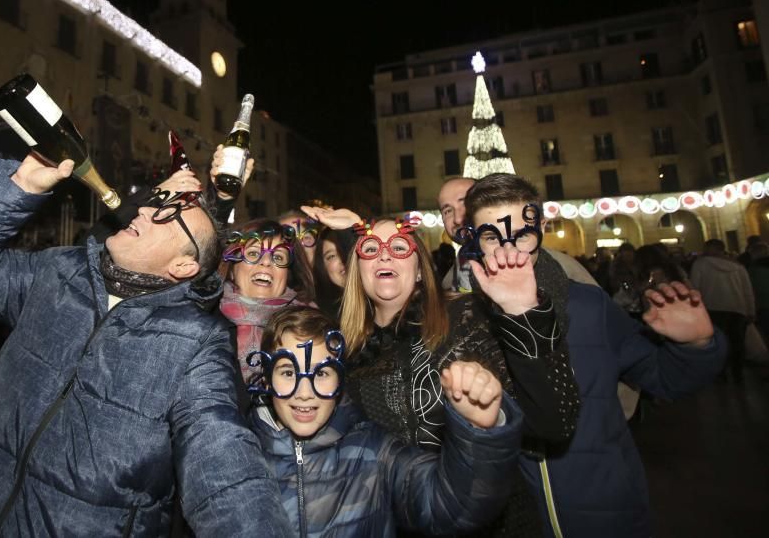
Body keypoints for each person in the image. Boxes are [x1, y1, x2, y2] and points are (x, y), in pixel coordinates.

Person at [0, 154, 290, 537]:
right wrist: (18, 188)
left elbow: (221, 457)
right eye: (155, 204)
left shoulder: (196, 342)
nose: (145, 209)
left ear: (182, 267)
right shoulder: (57, 272)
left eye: (168, 216)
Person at [464, 173, 725, 538]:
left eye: (523, 235)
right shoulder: (462, 321)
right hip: (511, 520)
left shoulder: (588, 306)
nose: (510, 251)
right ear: (473, 240)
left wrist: (694, 345)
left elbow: (662, 377)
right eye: (492, 237)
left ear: (540, 229)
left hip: (606, 514)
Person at [301, 207, 580, 537]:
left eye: (400, 247)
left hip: (497, 526)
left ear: (419, 268)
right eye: (372, 250)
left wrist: (523, 315)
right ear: (357, 272)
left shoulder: (465, 318)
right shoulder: (345, 353)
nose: (385, 257)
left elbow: (554, 422)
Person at [249, 306, 523, 536]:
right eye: (287, 372)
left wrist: (478, 431)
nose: (305, 392)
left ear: (341, 378)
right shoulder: (239, 456)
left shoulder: (376, 452)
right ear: (266, 377)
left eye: (321, 374)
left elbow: (454, 509)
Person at [437, 176, 597, 291]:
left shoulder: (563, 270)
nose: (458, 218)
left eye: (465, 204)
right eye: (448, 210)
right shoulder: (450, 279)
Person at [220, 218, 311, 380]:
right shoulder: (205, 325)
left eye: (278, 257)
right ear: (232, 269)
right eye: (253, 253)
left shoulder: (312, 328)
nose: (266, 262)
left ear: (287, 274)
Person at [689, 238, 756, 382]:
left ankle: (720, 373)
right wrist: (750, 310)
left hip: (712, 308)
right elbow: (747, 290)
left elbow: (694, 287)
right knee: (737, 341)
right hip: (737, 308)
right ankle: (738, 372)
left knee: (717, 343)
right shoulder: (737, 266)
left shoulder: (700, 264)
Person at [310, 227, 352, 320]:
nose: (342, 258)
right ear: (323, 268)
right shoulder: (319, 318)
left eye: (345, 249)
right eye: (331, 256)